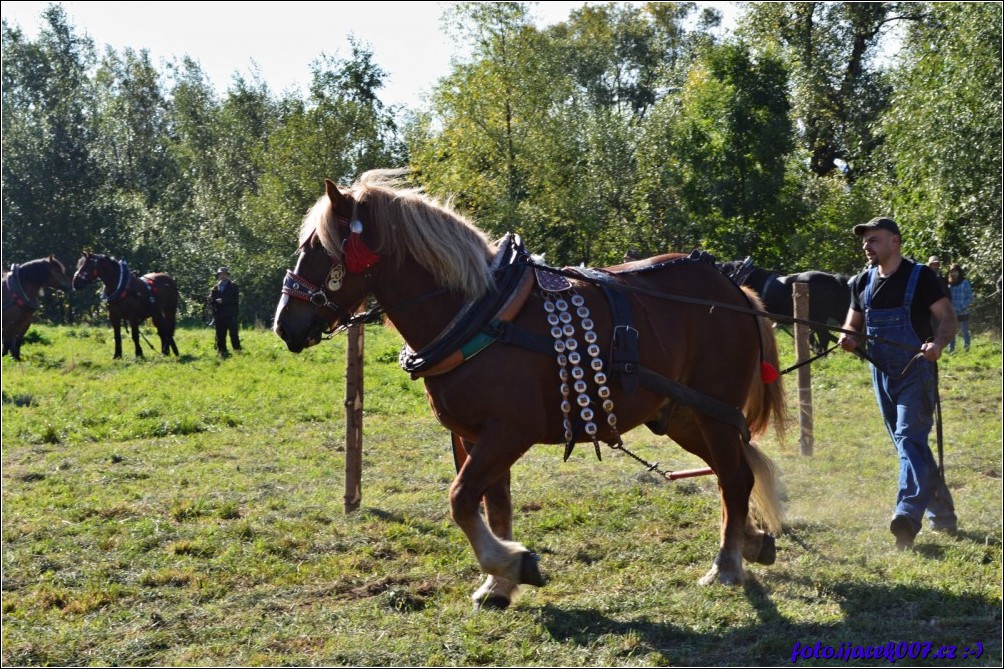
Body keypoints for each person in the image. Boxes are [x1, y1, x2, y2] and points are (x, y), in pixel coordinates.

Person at [837, 217, 958, 549]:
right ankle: (943, 515)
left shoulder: (921, 278)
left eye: (874, 240)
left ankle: (906, 516)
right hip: (881, 372)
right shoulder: (860, 282)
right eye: (865, 241)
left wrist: (937, 345)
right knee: (909, 445)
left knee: (909, 438)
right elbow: (852, 324)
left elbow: (948, 317)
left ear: (895, 242)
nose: (867, 246)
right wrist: (848, 339)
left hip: (916, 370)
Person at [209, 267, 241, 356]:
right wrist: (212, 300)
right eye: (220, 274)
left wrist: (223, 300)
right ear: (218, 276)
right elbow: (212, 301)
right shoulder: (215, 288)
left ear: (227, 275)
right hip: (219, 315)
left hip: (231, 314)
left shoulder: (233, 286)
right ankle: (222, 351)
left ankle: (237, 350)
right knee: (220, 334)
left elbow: (235, 299)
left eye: (224, 274)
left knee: (233, 334)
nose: (222, 276)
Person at [947, 264, 973, 353]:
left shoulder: (964, 282)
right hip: (952, 312)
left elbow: (970, 296)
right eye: (952, 271)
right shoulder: (949, 283)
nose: (954, 273)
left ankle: (967, 349)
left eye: (955, 271)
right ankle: (951, 350)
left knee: (965, 331)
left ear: (959, 271)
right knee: (951, 332)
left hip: (963, 311)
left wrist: (963, 306)